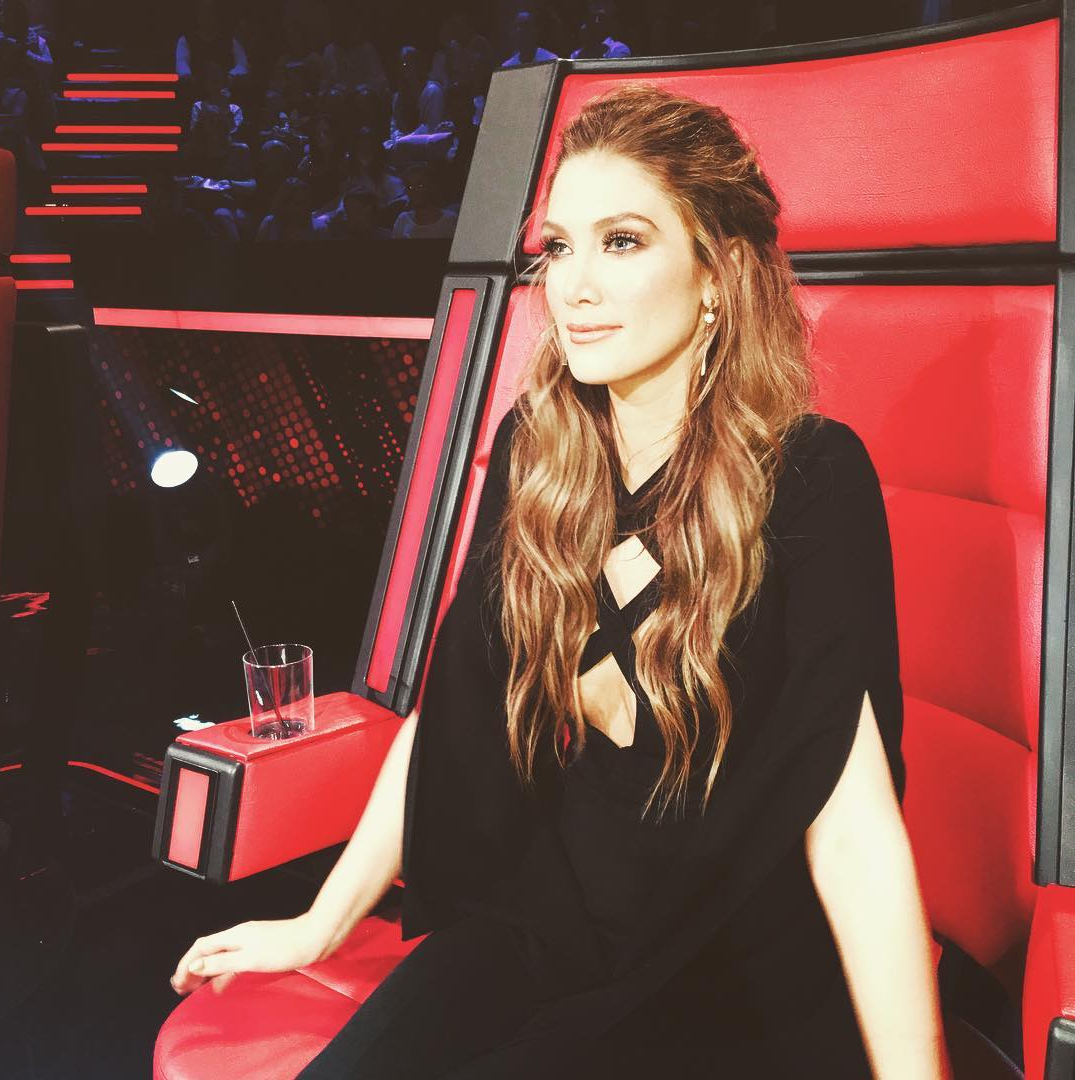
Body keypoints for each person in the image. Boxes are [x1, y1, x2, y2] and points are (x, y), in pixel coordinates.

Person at [170, 84, 951, 1079]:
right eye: (559, 247)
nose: (574, 286)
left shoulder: (812, 478)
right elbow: (448, 717)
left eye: (621, 242)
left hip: (722, 957)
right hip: (542, 918)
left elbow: (853, 822)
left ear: (716, 272)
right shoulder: (537, 453)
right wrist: (319, 924)